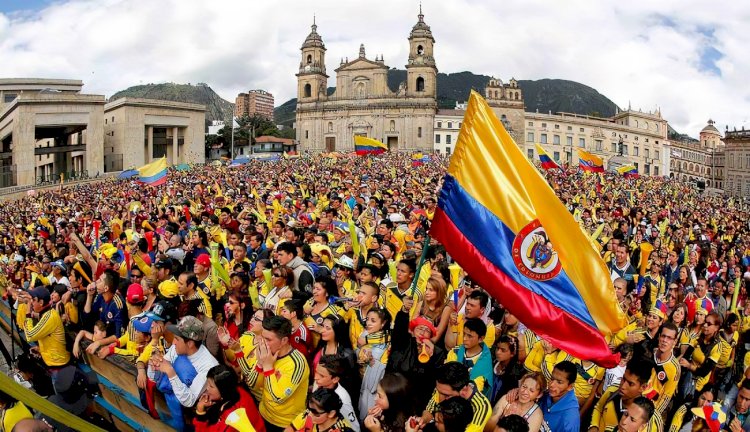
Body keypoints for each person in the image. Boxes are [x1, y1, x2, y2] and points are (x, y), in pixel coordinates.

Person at [255, 315, 310, 432]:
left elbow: (278, 397)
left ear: (284, 340)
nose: (263, 343)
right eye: (262, 337)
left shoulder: (297, 363)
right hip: (263, 413)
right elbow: (253, 385)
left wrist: (268, 367)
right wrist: (260, 365)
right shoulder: (266, 354)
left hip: (284, 424)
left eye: (268, 340)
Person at [589, 358, 661, 432]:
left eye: (630, 384)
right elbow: (598, 408)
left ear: (643, 387)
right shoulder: (612, 391)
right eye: (623, 379)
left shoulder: (651, 419)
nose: (623, 386)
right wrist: (594, 426)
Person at [192, 364, 266, 432]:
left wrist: (200, 411)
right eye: (207, 384)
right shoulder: (236, 390)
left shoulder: (232, 418)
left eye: (211, 386)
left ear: (223, 390)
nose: (207, 389)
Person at [422, 362, 492, 432]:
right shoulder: (442, 389)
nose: (440, 399)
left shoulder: (481, 408)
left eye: (446, 395)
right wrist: (422, 420)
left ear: (464, 390)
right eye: (438, 391)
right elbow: (429, 411)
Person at [446, 317, 493, 396]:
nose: (464, 338)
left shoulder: (485, 364)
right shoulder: (455, 353)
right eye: (464, 334)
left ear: (481, 339)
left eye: (469, 336)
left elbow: (476, 390)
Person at [314, 355, 360, 432]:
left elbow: (355, 427)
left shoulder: (342, 399)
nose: (316, 377)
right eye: (316, 372)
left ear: (335, 379)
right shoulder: (320, 383)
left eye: (321, 376)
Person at [535, 360, 579, 432]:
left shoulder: (570, 419)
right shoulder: (545, 394)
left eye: (559, 382)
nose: (551, 385)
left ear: (570, 386)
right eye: (552, 379)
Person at [288, 387, 357, 432]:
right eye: (309, 409)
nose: (309, 415)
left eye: (316, 414)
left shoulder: (341, 430)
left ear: (331, 413)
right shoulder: (309, 413)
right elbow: (291, 428)